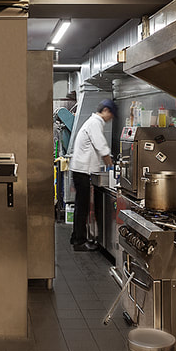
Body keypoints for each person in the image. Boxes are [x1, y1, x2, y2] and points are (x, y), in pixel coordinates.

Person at [68, 99, 116, 251]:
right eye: (111, 115)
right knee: (81, 208)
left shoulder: (92, 122)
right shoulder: (95, 123)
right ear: (106, 110)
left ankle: (76, 237)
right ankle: (79, 241)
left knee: (80, 207)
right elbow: (101, 147)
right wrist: (112, 167)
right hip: (82, 171)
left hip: (80, 170)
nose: (111, 118)